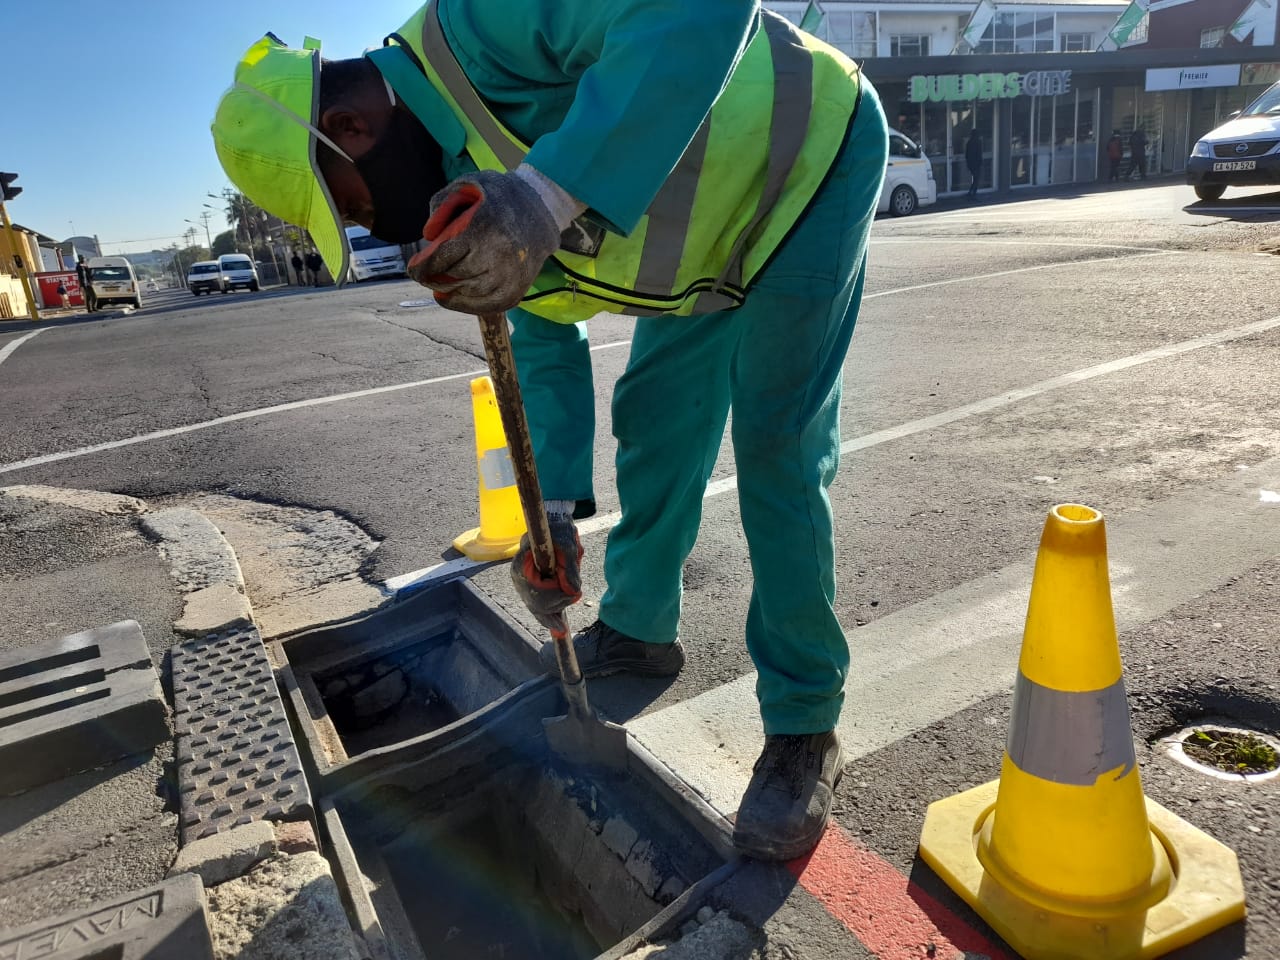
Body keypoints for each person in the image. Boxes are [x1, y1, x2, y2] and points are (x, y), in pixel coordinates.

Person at [212, 0, 888, 862]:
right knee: (656, 421)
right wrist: (553, 517)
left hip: (806, 164)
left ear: (352, 128)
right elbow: (539, 341)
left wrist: (543, 194)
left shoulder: (485, 19)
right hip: (706, 253)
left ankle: (804, 725)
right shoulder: (456, 185)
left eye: (348, 203)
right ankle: (639, 631)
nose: (366, 225)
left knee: (777, 444)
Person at [964, 128, 983, 199]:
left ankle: (971, 192)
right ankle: (973, 193)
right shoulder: (978, 142)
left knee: (975, 178)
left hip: (971, 163)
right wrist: (980, 162)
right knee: (976, 179)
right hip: (976, 163)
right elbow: (979, 153)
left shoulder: (969, 142)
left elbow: (967, 155)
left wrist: (968, 163)